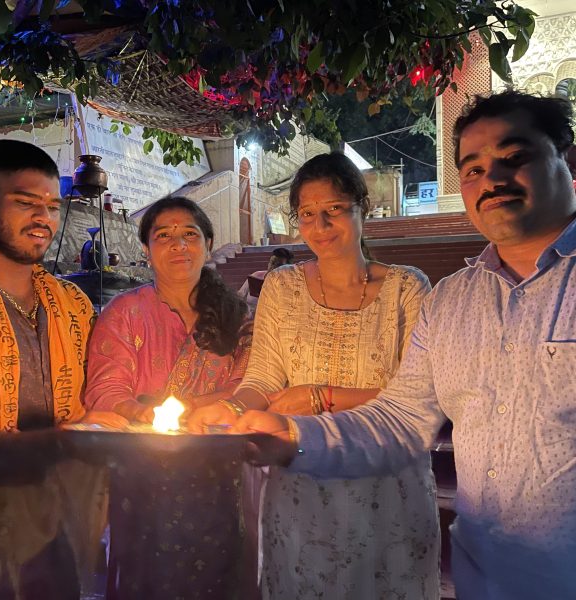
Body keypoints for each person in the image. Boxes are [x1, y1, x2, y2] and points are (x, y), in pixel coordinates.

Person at [232, 91, 576, 599]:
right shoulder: (453, 303)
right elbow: (401, 417)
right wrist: (290, 436)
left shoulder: (410, 289)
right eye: (473, 169)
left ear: (565, 157)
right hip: (485, 572)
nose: (493, 180)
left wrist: (315, 400)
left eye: (515, 157)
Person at [189, 153, 440, 599]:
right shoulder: (283, 286)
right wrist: (227, 409)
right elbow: (263, 380)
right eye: (307, 214)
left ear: (362, 207)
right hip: (301, 486)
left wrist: (320, 397)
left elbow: (417, 398)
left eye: (334, 210)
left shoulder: (408, 288)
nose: (320, 226)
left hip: (386, 488)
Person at [84, 195, 253, 599]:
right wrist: (149, 412)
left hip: (220, 476)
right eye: (164, 236)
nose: (179, 245)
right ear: (146, 249)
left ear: (208, 244)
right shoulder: (125, 313)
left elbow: (252, 385)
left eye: (189, 235)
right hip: (143, 480)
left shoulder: (239, 316)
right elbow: (105, 391)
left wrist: (194, 408)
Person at [0, 140, 107, 599]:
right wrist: (65, 442)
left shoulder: (72, 304)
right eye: (25, 202)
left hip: (55, 523)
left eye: (52, 206)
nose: (44, 219)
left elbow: (102, 396)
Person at [238, 247, 294, 311]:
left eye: (278, 265)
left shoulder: (291, 284)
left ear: (287, 267)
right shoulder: (256, 275)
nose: (273, 267)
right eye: (272, 262)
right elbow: (240, 297)